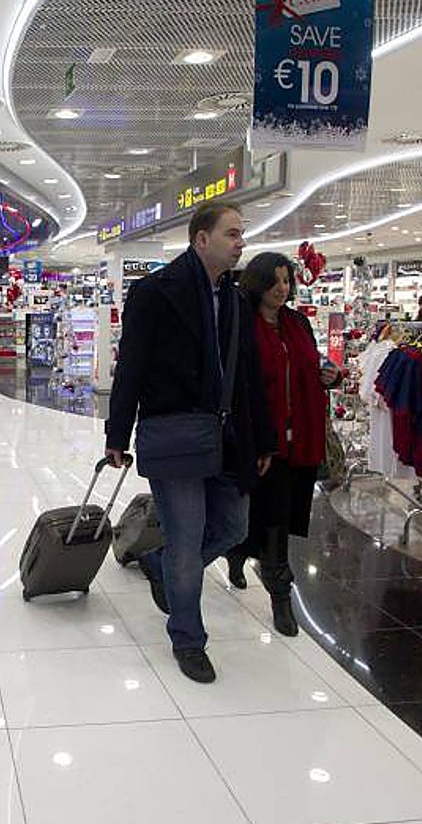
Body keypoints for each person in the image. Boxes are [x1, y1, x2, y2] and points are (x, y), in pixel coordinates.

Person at [105, 202, 275, 684]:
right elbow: (132, 366)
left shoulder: (236, 300)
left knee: (232, 527)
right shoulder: (155, 292)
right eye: (233, 233)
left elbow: (248, 377)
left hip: (227, 434)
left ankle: (162, 566)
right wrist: (117, 433)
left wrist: (262, 437)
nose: (242, 241)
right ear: (202, 239)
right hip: (176, 433)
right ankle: (187, 637)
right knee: (186, 537)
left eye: (242, 234)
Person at [224, 253, 342, 637]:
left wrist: (329, 377)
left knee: (279, 517)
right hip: (264, 441)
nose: (282, 288)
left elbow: (309, 367)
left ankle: (238, 552)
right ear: (257, 283)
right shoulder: (241, 323)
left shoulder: (298, 323)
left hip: (302, 441)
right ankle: (280, 595)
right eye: (274, 281)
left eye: (287, 281)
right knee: (272, 519)